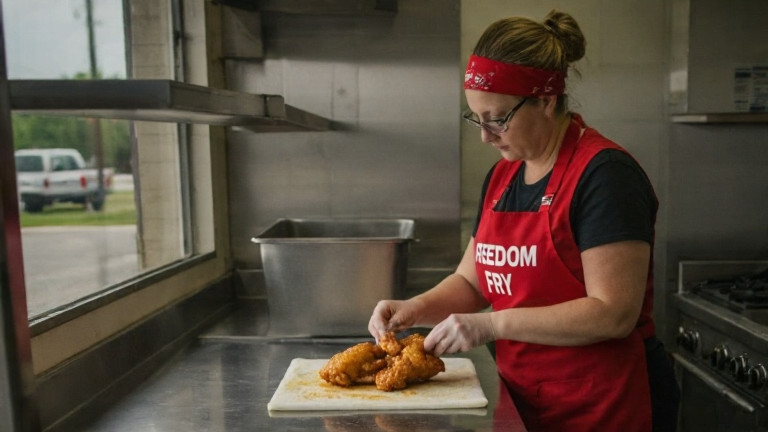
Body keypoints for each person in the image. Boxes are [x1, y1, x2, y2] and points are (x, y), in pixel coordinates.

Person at [368, 9, 680, 432]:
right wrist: (414, 308)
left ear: (546, 100)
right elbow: (472, 282)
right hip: (525, 401)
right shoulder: (503, 176)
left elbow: (613, 313)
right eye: (476, 118)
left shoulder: (605, 176)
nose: (485, 135)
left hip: (605, 405)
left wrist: (491, 325)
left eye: (497, 118)